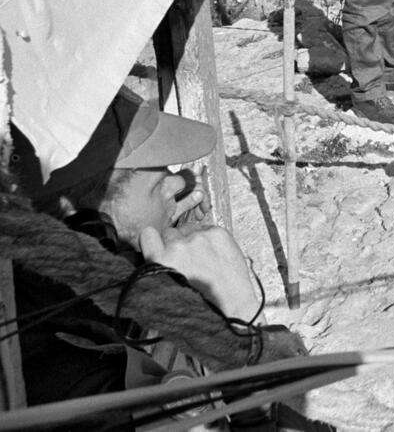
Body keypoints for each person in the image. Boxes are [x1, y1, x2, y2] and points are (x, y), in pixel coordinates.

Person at [10, 87, 321, 427]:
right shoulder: (73, 378)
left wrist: (159, 276)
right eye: (157, 179)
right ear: (89, 221)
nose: (177, 183)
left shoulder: (39, 299)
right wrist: (238, 326)